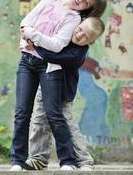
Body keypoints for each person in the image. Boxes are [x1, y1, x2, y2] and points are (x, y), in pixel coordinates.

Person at [10, 0, 107, 171]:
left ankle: (78, 160)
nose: (80, 0)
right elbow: (28, 21)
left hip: (57, 78)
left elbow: (55, 48)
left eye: (86, 2)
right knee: (34, 116)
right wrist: (28, 33)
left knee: (59, 117)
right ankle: (33, 159)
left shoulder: (75, 24)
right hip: (31, 64)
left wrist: (35, 41)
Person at [26, 17, 105, 171]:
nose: (80, 35)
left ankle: (83, 160)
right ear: (78, 25)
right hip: (46, 85)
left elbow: (53, 56)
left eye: (86, 37)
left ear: (90, 42)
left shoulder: (78, 53)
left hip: (63, 90)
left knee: (67, 124)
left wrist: (36, 47)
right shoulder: (64, 33)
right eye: (80, 29)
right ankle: (38, 158)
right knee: (39, 120)